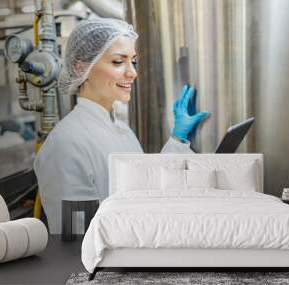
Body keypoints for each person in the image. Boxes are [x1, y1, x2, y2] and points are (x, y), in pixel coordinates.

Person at [34, 18, 209, 234]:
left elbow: (147, 187)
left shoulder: (121, 130)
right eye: (118, 62)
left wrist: (177, 140)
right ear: (81, 67)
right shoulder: (65, 144)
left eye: (133, 61)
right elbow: (77, 236)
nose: (132, 73)